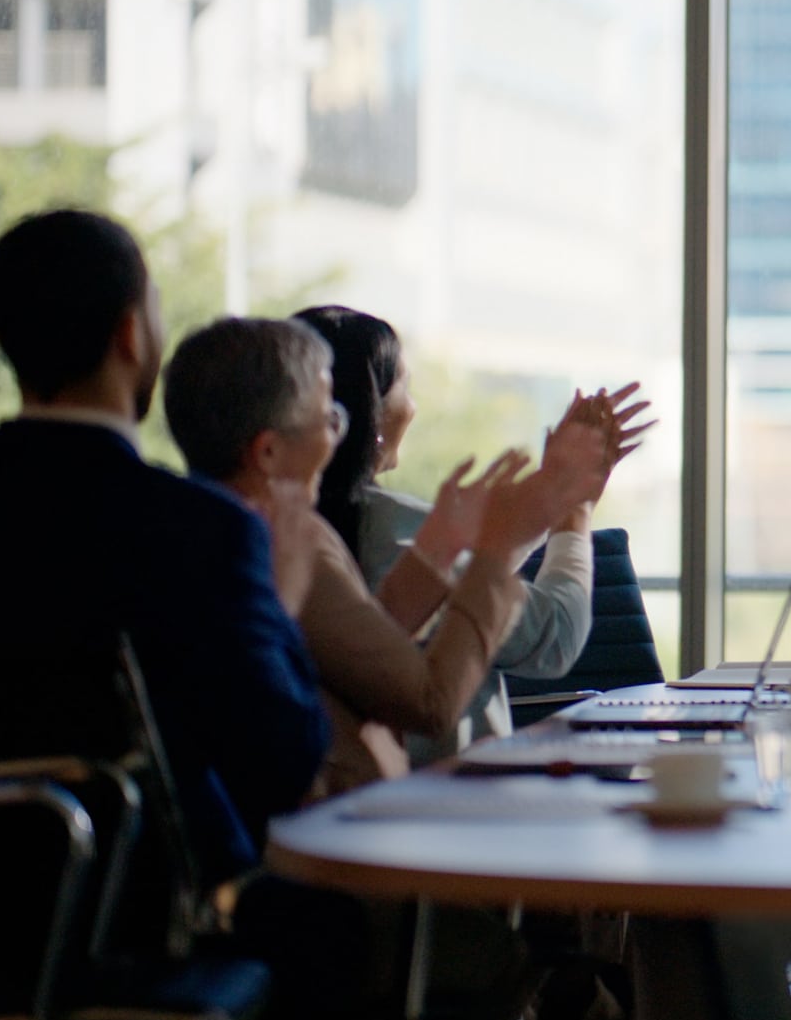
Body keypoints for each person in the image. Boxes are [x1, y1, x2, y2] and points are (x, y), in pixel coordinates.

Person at [0, 211, 516, 1020]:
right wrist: (281, 608)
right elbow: (283, 764)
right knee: (475, 947)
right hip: (158, 933)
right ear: (132, 335)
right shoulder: (197, 529)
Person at [160, 315, 604, 798]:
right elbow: (429, 705)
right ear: (266, 453)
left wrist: (439, 546)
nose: (337, 439)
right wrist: (492, 559)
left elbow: (364, 646)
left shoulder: (190, 527)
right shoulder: (276, 540)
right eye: (329, 420)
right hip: (336, 837)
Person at [293, 303, 649, 755]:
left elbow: (465, 596)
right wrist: (573, 511)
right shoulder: (395, 531)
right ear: (371, 414)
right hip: (450, 799)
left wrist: (539, 507)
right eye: (406, 384)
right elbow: (555, 637)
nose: (415, 407)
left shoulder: (285, 535)